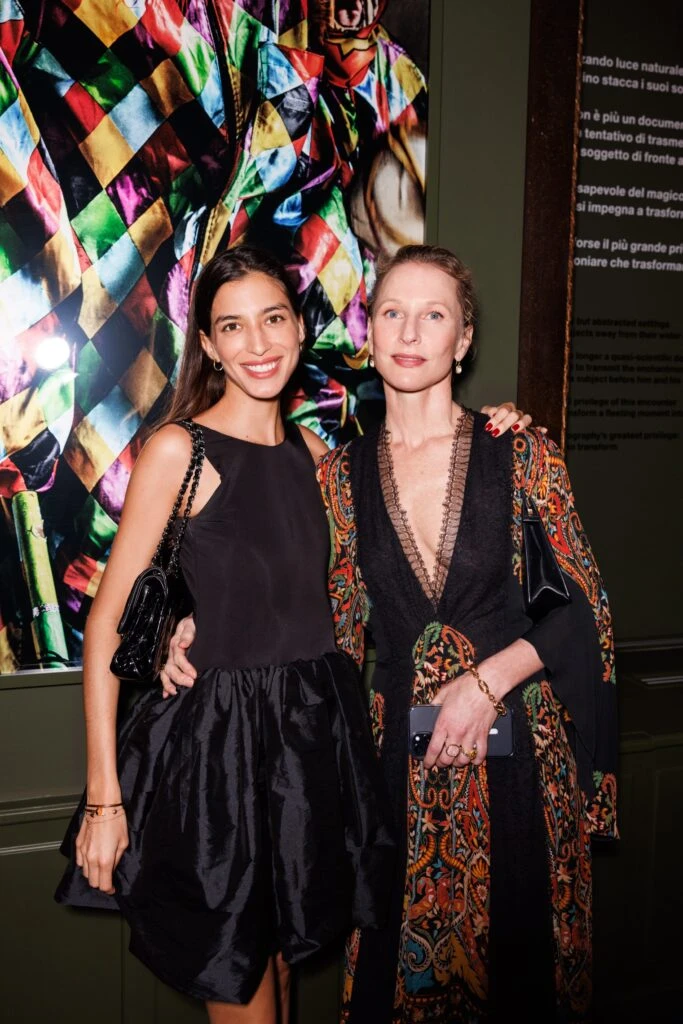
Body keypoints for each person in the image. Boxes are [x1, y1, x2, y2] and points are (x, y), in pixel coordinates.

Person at [164, 244, 618, 1024]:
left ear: (462, 339)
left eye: (433, 315)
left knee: (523, 982)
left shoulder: (521, 452)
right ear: (367, 331)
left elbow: (584, 609)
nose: (409, 333)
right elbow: (299, 600)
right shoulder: (335, 476)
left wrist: (486, 682)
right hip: (393, 778)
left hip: (520, 771)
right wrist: (193, 623)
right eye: (391, 313)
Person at [55, 246, 398, 1024]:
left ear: (299, 328)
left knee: (279, 971)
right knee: (239, 981)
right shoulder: (180, 450)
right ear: (208, 345)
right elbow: (105, 623)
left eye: (272, 319)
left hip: (310, 746)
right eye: (232, 327)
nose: (258, 343)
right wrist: (105, 801)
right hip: (220, 758)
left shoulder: (315, 454)